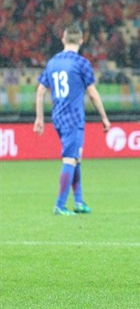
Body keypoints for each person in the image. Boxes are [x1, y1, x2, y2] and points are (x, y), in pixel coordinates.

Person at [34, 24, 110, 216]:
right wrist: (104, 117)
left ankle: (79, 201)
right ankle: (60, 205)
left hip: (57, 117)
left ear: (63, 39)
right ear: (82, 40)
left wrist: (39, 118)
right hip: (74, 118)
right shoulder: (81, 63)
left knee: (76, 156)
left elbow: (41, 90)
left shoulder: (52, 62)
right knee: (70, 158)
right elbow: (92, 94)